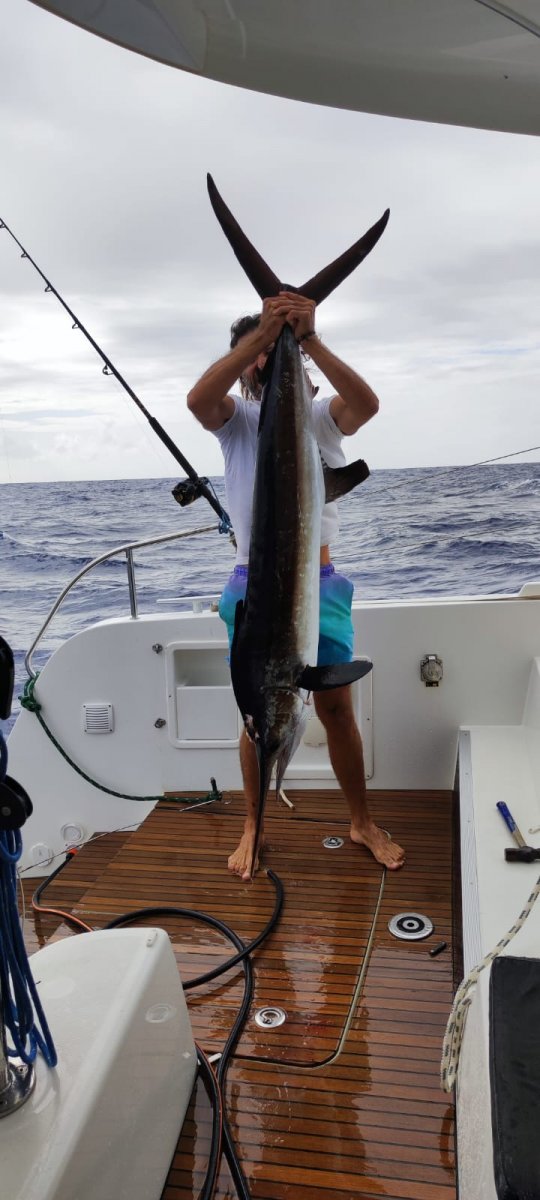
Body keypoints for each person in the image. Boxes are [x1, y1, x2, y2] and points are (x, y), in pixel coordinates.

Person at [187, 292, 405, 880]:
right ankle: (254, 824)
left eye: (267, 350)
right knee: (256, 713)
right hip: (252, 585)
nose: (262, 360)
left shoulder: (320, 418)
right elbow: (200, 400)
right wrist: (263, 337)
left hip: (319, 583)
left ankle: (360, 820)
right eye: (250, 353)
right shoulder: (238, 424)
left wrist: (305, 338)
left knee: (337, 708)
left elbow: (367, 403)